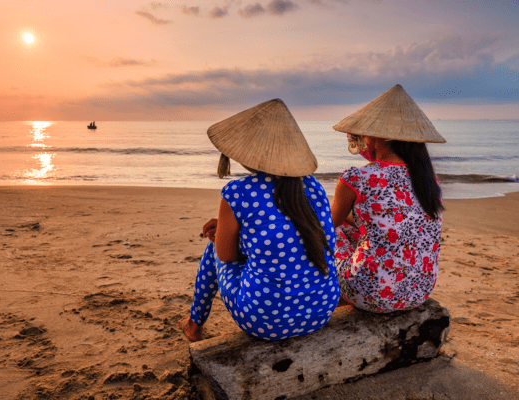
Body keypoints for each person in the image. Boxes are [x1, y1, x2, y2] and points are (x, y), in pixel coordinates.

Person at [180, 99, 340, 342]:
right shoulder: (314, 187)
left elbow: (226, 256)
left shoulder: (238, 191)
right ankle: (194, 323)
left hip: (264, 321)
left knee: (213, 248)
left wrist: (224, 231)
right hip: (320, 312)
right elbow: (286, 232)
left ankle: (195, 324)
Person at [330, 84, 446, 313]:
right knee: (352, 228)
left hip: (370, 294)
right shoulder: (429, 180)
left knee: (329, 232)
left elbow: (325, 226)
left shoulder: (356, 177)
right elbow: (390, 223)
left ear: (375, 135)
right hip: (418, 291)